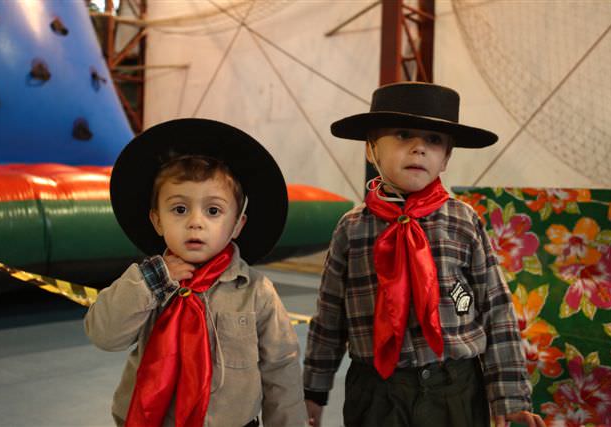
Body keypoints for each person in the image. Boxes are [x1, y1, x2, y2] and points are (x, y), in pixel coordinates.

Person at [303, 82, 545, 427]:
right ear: (371, 149)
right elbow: (329, 315)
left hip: (455, 389)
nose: (419, 148)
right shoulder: (351, 228)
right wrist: (313, 390)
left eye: (433, 140)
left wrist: (509, 396)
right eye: (403, 135)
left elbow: (496, 307)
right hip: (377, 393)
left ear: (445, 158)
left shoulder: (463, 220)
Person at [85, 118, 307, 427]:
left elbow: (281, 370)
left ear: (237, 225)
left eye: (213, 210)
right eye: (179, 209)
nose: (195, 222)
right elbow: (104, 335)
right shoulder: (146, 283)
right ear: (157, 220)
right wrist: (152, 281)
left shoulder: (256, 292)